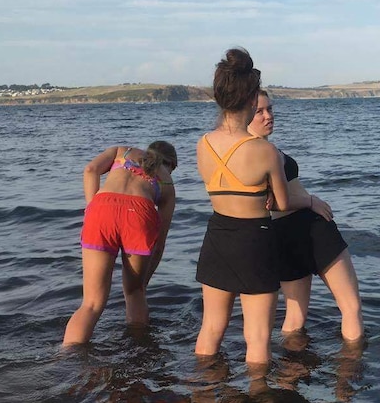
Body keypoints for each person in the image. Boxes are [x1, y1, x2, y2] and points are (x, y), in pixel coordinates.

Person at [194, 48, 290, 365]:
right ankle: (259, 393)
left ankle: (202, 390)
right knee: (258, 336)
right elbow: (282, 203)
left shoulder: (203, 143)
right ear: (251, 99)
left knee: (211, 328)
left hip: (217, 236)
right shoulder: (266, 151)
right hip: (255, 240)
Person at [247, 90, 364, 342]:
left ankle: (291, 375)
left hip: (281, 235)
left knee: (295, 315)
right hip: (307, 227)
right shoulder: (258, 150)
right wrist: (311, 201)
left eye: (270, 109)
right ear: (244, 114)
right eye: (260, 112)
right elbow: (272, 202)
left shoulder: (250, 149)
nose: (268, 116)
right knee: (351, 307)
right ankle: (351, 374)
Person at [63, 141, 177, 345]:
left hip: (101, 209)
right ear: (172, 165)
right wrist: (143, 283)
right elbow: (159, 243)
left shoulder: (121, 152)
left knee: (90, 303)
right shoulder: (167, 183)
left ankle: (67, 356)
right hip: (140, 214)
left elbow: (90, 170)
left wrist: (92, 208)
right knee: (134, 293)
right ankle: (137, 350)